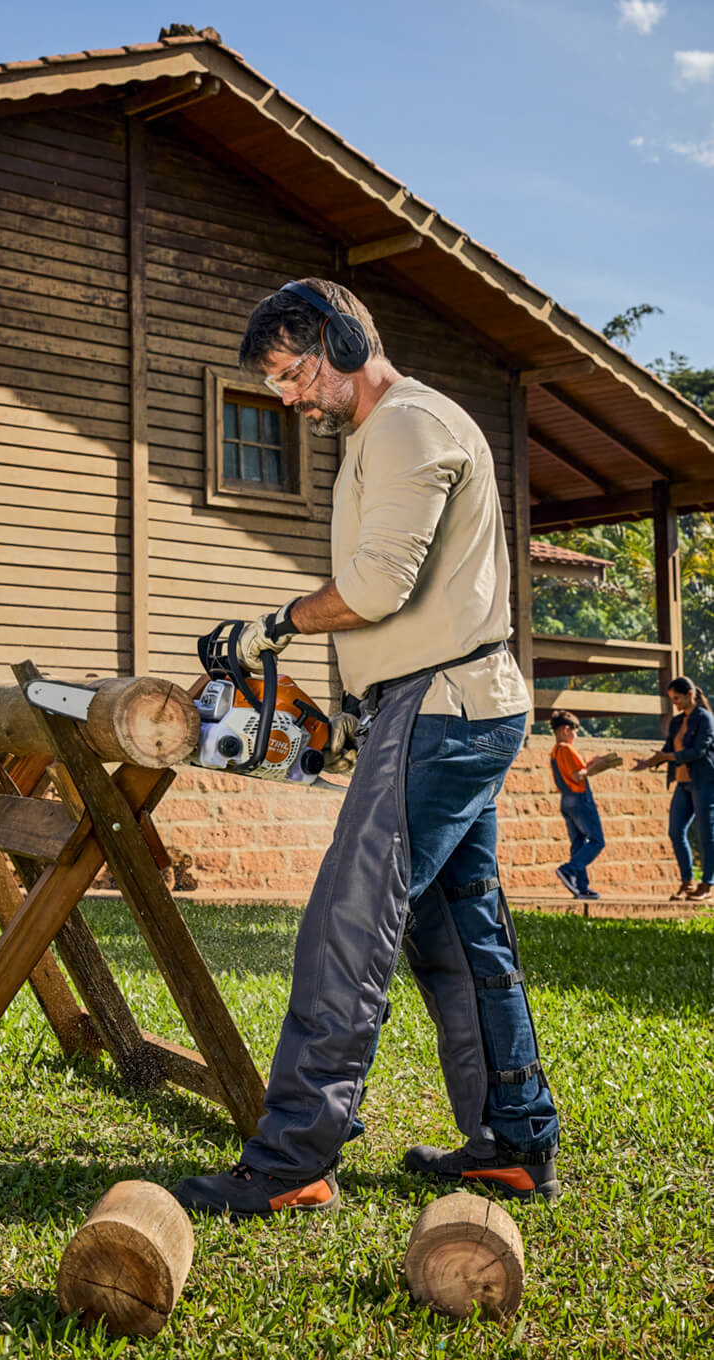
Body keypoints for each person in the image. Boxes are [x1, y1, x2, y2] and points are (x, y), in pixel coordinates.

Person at [173, 279, 560, 1219]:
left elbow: (378, 586)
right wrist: (358, 711)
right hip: (438, 702)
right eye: (275, 383)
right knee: (458, 933)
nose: (288, 398)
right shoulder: (377, 436)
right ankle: (514, 1142)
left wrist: (273, 624)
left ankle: (295, 1155)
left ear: (341, 341)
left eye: (292, 373)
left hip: (444, 707)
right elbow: (406, 601)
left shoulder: (404, 426)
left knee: (349, 923)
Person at [632, 676, 714, 901]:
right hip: (683, 782)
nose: (675, 703)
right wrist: (648, 763)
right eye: (672, 699)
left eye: (677, 698)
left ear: (690, 695)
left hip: (704, 782)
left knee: (706, 834)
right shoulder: (677, 722)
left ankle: (707, 885)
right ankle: (687, 882)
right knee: (675, 831)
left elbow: (698, 751)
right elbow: (667, 748)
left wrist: (667, 756)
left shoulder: (705, 718)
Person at [549, 709, 617, 900]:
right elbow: (577, 775)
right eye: (575, 731)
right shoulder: (567, 748)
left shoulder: (555, 751)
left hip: (566, 800)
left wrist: (589, 764)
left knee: (578, 843)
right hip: (580, 799)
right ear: (565, 730)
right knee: (597, 840)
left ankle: (581, 887)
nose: (576, 736)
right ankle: (569, 869)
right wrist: (598, 766)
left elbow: (573, 771)